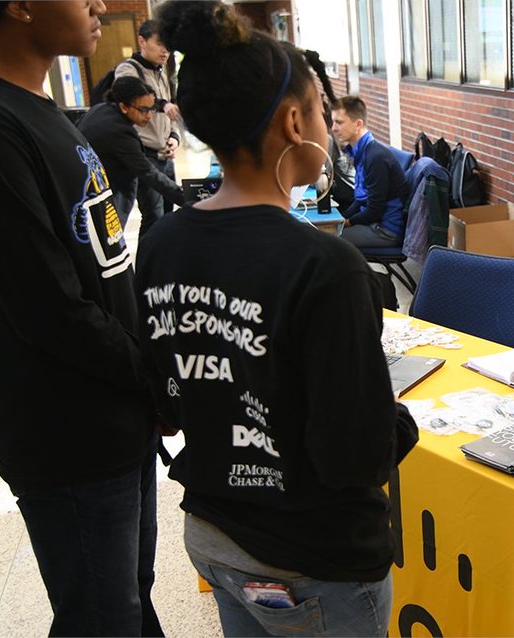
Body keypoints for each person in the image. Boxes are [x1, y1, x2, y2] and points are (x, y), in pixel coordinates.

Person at [140, 2, 419, 636]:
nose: (325, 121)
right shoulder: (328, 265)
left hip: (215, 534)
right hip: (313, 558)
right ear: (296, 121)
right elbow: (358, 456)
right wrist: (397, 420)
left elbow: (169, 398)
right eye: (322, 109)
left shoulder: (162, 245)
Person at [0, 1, 163, 635]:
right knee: (100, 617)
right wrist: (151, 375)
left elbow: (100, 264)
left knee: (131, 598)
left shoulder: (43, 110)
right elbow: (48, 309)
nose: (100, 6)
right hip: (68, 427)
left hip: (116, 407)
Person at [78, 76, 186, 227]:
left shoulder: (99, 109)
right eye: (143, 110)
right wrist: (187, 199)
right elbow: (148, 172)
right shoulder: (121, 132)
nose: (149, 116)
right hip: (105, 193)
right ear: (123, 107)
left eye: (151, 109)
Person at [115, 19, 180, 238]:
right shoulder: (128, 69)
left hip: (166, 154)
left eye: (169, 45)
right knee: (153, 216)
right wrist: (163, 105)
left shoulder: (161, 71)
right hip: (145, 155)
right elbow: (137, 97)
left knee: (170, 215)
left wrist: (174, 136)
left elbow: (169, 114)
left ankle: (165, 265)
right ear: (142, 41)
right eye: (160, 43)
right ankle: (147, 270)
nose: (166, 50)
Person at [331, 95, 410, 249]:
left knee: (326, 240)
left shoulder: (375, 157)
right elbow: (362, 199)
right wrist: (341, 218)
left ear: (358, 124)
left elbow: (374, 210)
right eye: (333, 122)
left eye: (339, 122)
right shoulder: (363, 151)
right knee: (324, 233)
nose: (333, 128)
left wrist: (346, 223)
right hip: (374, 222)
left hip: (385, 230)